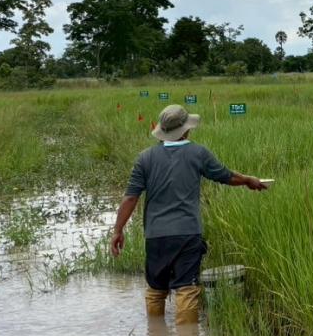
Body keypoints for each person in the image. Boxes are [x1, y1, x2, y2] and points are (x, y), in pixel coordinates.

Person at [110, 103, 267, 323]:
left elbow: (130, 198)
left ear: (163, 131)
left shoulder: (144, 158)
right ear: (186, 129)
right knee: (186, 290)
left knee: (156, 290)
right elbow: (226, 176)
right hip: (187, 233)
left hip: (156, 235)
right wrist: (249, 180)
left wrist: (118, 230)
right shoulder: (198, 153)